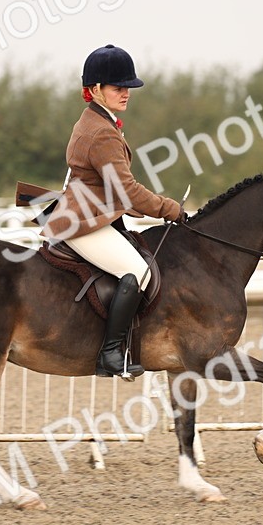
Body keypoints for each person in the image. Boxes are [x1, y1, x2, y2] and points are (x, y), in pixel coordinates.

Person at [42, 44, 184, 378]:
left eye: (128, 88)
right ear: (94, 90)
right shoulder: (101, 132)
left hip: (91, 213)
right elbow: (128, 191)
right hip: (82, 221)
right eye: (118, 88)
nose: (126, 93)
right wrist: (170, 209)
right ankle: (109, 354)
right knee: (137, 272)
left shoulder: (98, 121)